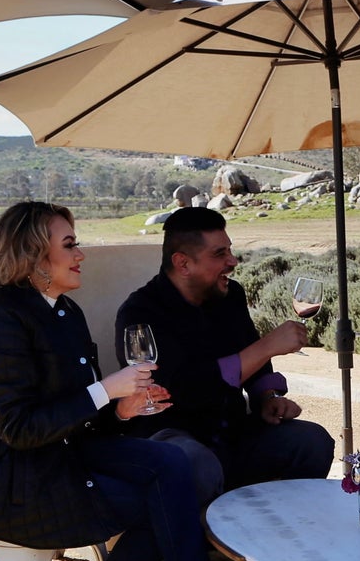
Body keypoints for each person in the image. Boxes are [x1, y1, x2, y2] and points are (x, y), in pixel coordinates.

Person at [0, 201, 243, 561]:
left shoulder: (65, 312)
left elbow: (81, 418)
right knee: (168, 494)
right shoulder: (1, 321)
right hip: (18, 485)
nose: (80, 254)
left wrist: (121, 409)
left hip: (63, 458)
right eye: (69, 245)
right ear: (33, 255)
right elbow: (19, 429)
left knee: (173, 466)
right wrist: (105, 390)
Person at [115, 206, 333, 506]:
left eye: (230, 250)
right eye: (219, 254)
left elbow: (253, 361)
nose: (233, 261)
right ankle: (202, 549)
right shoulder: (141, 313)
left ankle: (278, 536)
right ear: (183, 263)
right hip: (171, 435)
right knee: (194, 464)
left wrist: (266, 397)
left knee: (311, 442)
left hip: (233, 432)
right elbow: (182, 390)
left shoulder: (231, 296)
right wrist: (267, 346)